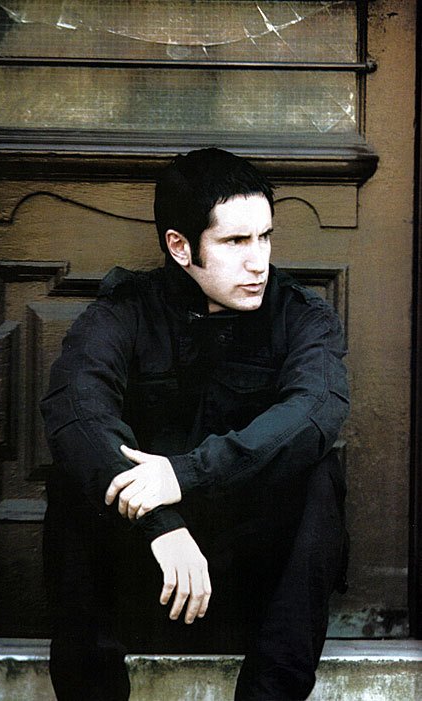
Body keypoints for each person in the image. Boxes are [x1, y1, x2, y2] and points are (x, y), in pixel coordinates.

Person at [41, 147, 350, 701]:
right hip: (149, 571)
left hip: (252, 583)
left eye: (265, 237)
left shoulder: (301, 315)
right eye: (235, 242)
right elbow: (76, 410)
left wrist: (184, 475)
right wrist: (159, 520)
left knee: (320, 472)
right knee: (74, 473)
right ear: (180, 246)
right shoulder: (124, 312)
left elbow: (315, 410)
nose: (258, 261)